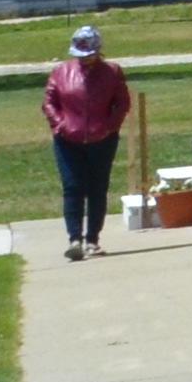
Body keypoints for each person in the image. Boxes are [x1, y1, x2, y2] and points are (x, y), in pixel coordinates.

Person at [44, 24, 134, 261]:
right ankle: (74, 239)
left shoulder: (112, 72)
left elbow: (122, 103)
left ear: (98, 51)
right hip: (67, 140)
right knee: (72, 187)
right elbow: (49, 102)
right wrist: (59, 125)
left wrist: (109, 127)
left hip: (102, 140)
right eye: (80, 55)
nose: (85, 60)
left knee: (97, 188)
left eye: (90, 55)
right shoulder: (60, 72)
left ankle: (92, 239)